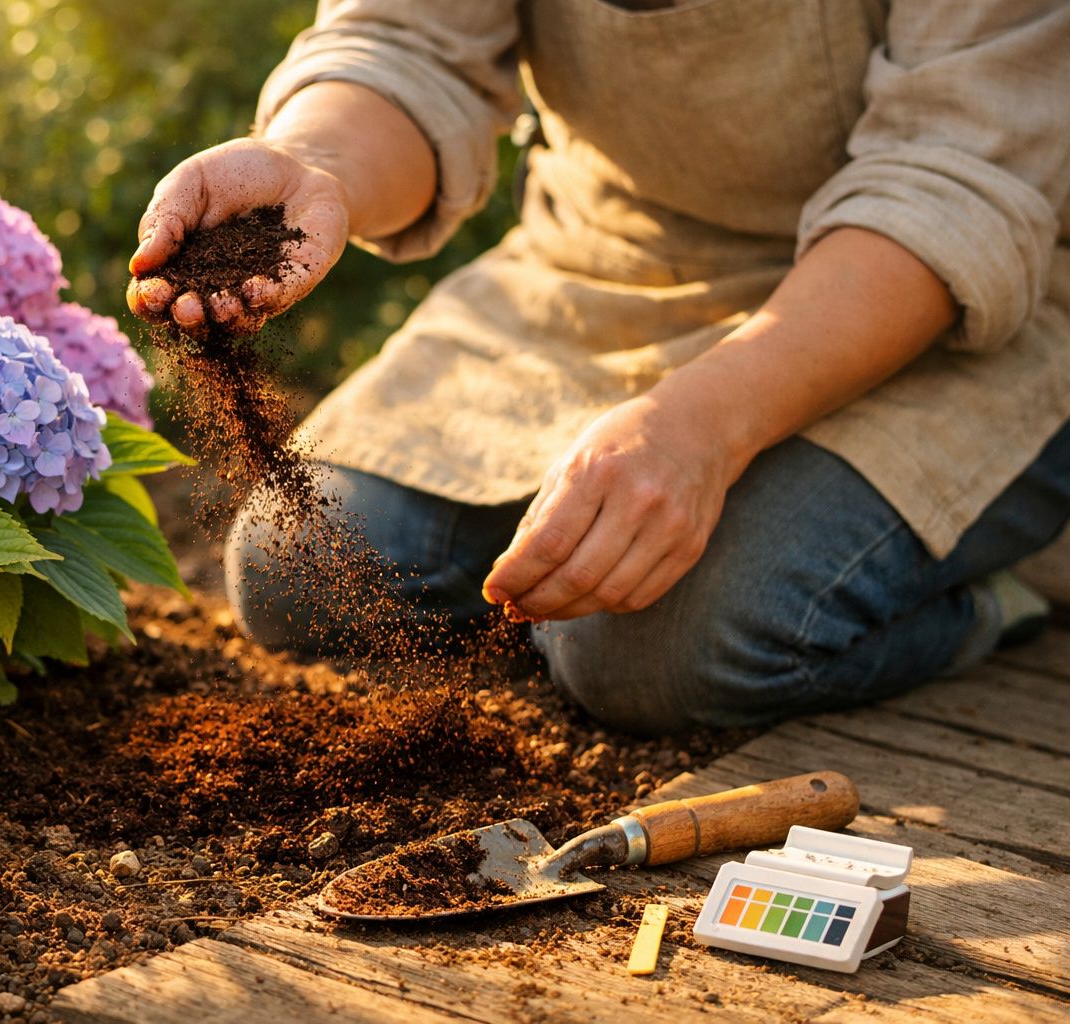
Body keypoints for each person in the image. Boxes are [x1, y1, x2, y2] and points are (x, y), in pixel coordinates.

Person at [127, 0, 1070, 735]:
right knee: (296, 572)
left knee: (647, 655)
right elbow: (405, 44)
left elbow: (953, 186)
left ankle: (1006, 586)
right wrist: (312, 164)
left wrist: (700, 424)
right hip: (605, 264)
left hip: (909, 299)